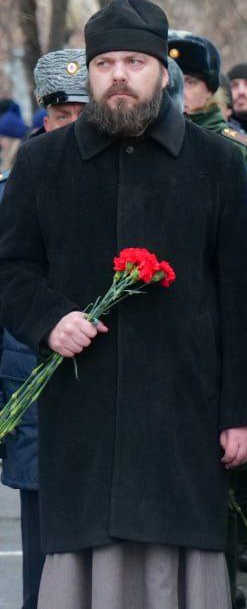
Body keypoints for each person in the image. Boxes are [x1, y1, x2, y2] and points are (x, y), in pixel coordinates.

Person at [0, 0, 247, 608]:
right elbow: (11, 269)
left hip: (185, 414)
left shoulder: (216, 163)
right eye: (105, 64)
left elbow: (245, 298)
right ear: (90, 74)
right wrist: (49, 319)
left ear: (161, 72)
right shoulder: (42, 163)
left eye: (134, 62)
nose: (119, 75)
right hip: (82, 413)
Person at [0, 48, 88, 609]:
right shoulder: (10, 192)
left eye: (83, 113)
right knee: (43, 561)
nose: (70, 127)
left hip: (105, 398)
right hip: (31, 395)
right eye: (61, 115)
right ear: (44, 117)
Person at [169, 32, 247, 176]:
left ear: (210, 91)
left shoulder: (239, 150)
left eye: (190, 82)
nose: (179, 90)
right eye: (173, 80)